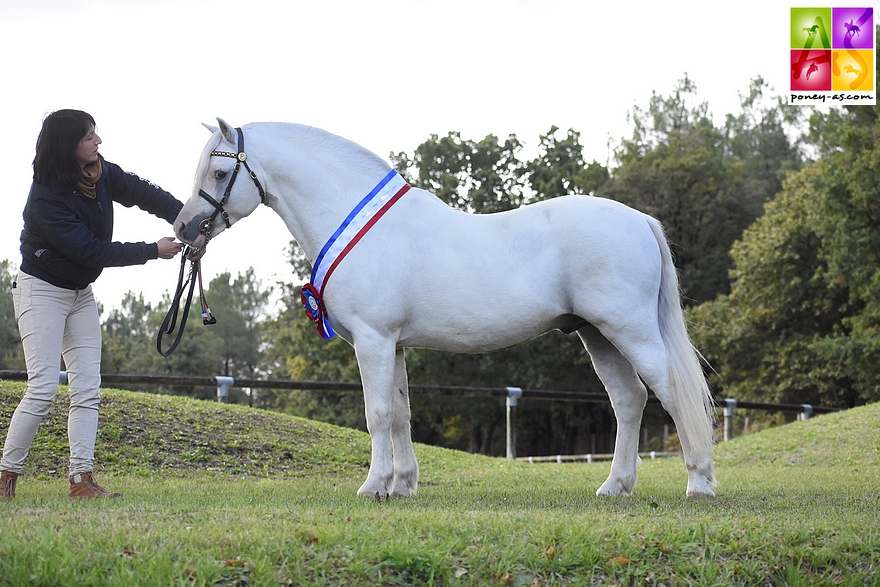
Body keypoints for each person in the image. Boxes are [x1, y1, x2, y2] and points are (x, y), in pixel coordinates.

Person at [0, 109, 187, 499]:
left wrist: (187, 218)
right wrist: (153, 250)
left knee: (88, 388)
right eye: (89, 136)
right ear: (69, 146)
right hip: (42, 290)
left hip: (79, 294)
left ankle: (80, 480)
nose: (98, 141)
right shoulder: (45, 199)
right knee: (43, 388)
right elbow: (90, 251)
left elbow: (141, 192)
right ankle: (5, 475)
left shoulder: (100, 172)